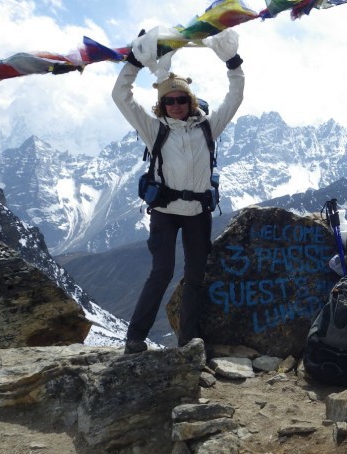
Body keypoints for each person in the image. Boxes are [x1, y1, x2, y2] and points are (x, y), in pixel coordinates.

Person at [112, 28, 244, 354]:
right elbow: (121, 95)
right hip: (165, 214)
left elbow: (236, 95)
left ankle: (188, 342)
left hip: (198, 213)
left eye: (181, 99)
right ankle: (135, 338)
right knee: (161, 273)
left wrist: (232, 60)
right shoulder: (153, 129)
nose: (175, 105)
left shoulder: (209, 128)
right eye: (169, 100)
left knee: (195, 277)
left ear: (191, 101)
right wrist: (134, 61)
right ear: (161, 104)